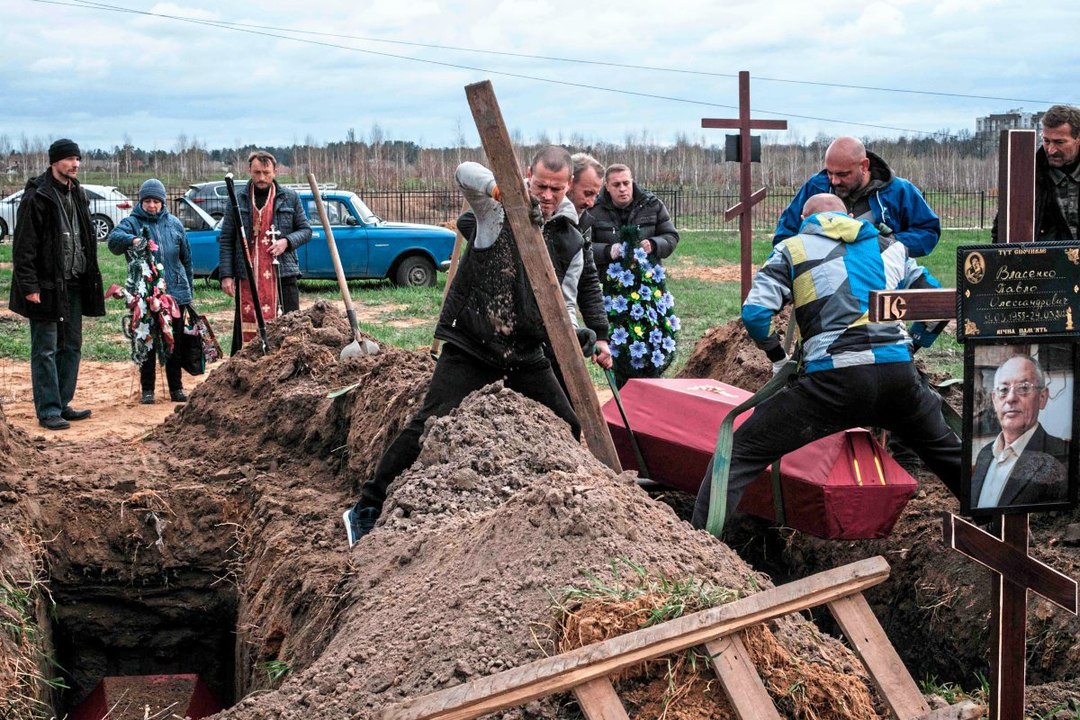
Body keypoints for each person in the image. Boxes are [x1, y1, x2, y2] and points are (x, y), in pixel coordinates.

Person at [342, 146, 588, 546]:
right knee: (430, 422)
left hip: (524, 353)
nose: (545, 196)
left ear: (569, 187)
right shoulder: (495, 214)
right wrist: (500, 190)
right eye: (540, 185)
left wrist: (574, 331)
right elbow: (464, 172)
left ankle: (544, 517)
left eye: (555, 190)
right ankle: (366, 508)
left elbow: (567, 302)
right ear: (527, 175)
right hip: (473, 344)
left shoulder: (569, 240)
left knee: (567, 423)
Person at [691, 193, 961, 529]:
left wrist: (778, 358)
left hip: (834, 385)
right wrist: (909, 349)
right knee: (953, 459)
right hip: (899, 381)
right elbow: (936, 307)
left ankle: (701, 542)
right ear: (848, 215)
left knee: (738, 453)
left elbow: (756, 313)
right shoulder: (891, 247)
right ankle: (1005, 523)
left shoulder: (793, 248)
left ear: (805, 219)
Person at [9, 138, 105, 430]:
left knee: (71, 345)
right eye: (70, 159)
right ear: (55, 161)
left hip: (74, 283)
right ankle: (48, 409)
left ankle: (62, 403)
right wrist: (30, 286)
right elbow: (24, 247)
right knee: (46, 348)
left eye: (78, 159)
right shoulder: (37, 196)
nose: (75, 164)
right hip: (47, 286)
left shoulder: (78, 193)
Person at [586, 163, 680, 386]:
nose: (622, 189)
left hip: (649, 289)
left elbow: (671, 236)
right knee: (619, 344)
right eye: (616, 184)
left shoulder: (652, 204)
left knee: (650, 343)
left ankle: (652, 385)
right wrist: (608, 251)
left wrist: (654, 245)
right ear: (606, 186)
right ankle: (622, 384)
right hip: (613, 289)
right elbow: (584, 244)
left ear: (632, 181)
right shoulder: (595, 210)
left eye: (626, 183)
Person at [774, 137, 941, 258]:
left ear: (864, 166)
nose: (834, 181)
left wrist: (889, 242)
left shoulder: (899, 191)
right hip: (823, 287)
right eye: (829, 172)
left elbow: (928, 232)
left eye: (842, 174)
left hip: (881, 283)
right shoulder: (816, 187)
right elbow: (785, 234)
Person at [108, 179, 194, 405]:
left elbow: (186, 259)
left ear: (163, 202)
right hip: (146, 294)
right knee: (147, 340)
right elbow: (113, 242)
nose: (152, 205)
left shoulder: (174, 224)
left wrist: (188, 291)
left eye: (156, 201)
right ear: (141, 201)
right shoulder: (132, 222)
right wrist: (134, 240)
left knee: (173, 341)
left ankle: (176, 388)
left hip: (175, 293)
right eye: (148, 201)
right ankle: (147, 389)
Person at [218, 150, 311, 349]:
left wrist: (286, 241)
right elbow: (226, 238)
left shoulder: (290, 198)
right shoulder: (238, 199)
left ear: (275, 172)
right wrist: (226, 275)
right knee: (244, 330)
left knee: (290, 330)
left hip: (283, 274)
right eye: (257, 172)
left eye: (266, 173)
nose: (262, 178)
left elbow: (306, 230)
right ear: (249, 171)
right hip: (247, 275)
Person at [971, 355, 1069, 509]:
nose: (1010, 398)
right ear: (994, 400)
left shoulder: (1064, 459)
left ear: (1042, 397)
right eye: (1003, 389)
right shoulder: (985, 453)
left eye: (1023, 388)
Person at [992, 104, 1080, 242]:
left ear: (1078, 139)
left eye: (1059, 142)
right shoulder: (1026, 178)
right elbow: (1003, 233)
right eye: (1046, 141)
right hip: (1041, 262)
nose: (1051, 150)